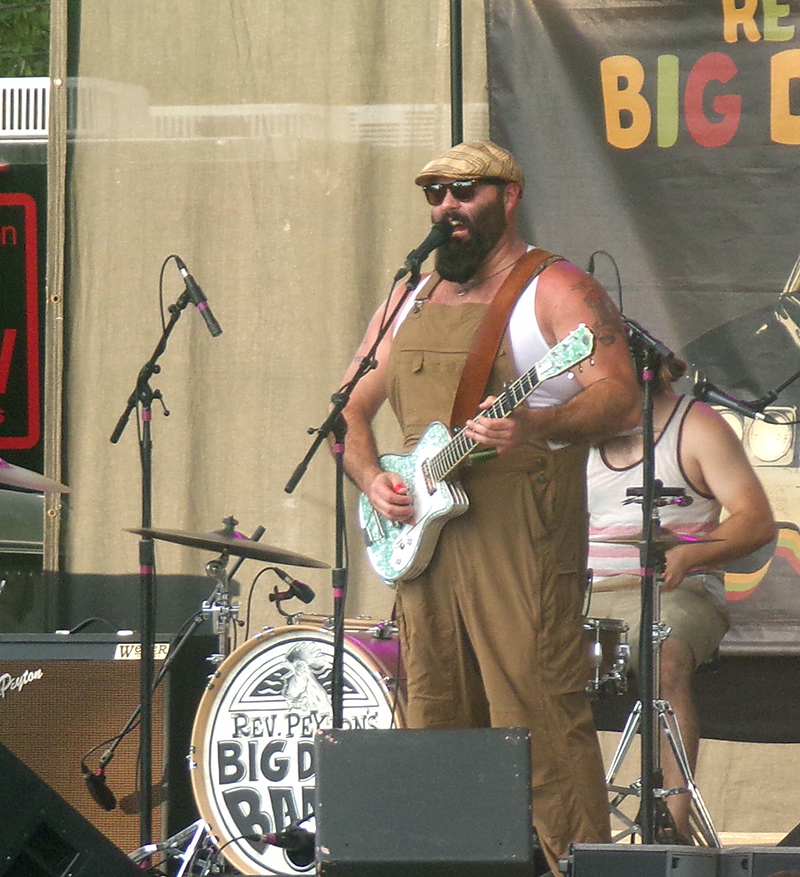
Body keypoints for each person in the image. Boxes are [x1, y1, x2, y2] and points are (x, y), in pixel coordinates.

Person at [338, 140, 641, 872]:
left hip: (520, 530)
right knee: (437, 716)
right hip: (423, 537)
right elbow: (345, 408)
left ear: (509, 195)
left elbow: (620, 392)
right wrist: (372, 475)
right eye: (436, 195)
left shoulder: (554, 286)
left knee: (536, 705)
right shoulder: (409, 296)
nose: (448, 208)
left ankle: (574, 862)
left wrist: (536, 422)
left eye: (465, 191)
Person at [586, 338, 775, 841]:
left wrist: (689, 552)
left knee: (663, 658)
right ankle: (561, 823)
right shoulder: (573, 426)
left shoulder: (695, 425)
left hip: (679, 589)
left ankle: (671, 824)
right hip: (580, 592)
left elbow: (755, 520)